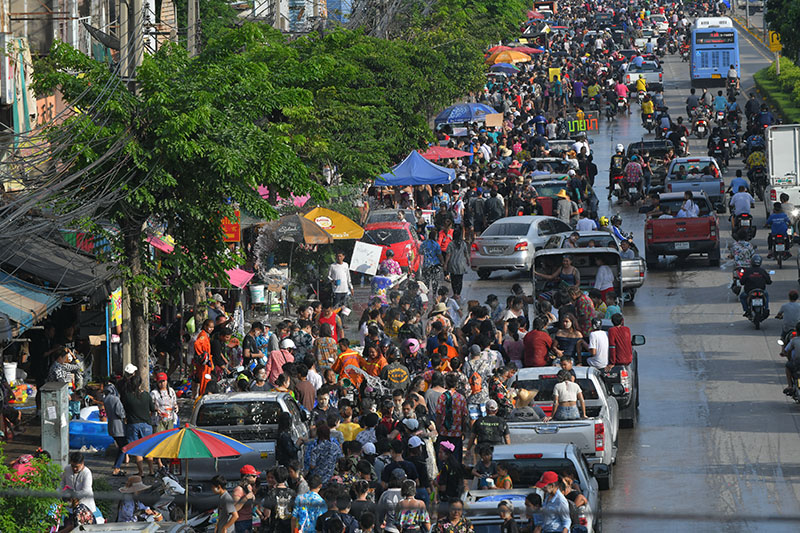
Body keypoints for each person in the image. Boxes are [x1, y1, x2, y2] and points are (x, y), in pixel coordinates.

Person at [122, 375, 155, 477]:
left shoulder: (127, 396)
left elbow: (124, 410)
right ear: (140, 383)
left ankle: (141, 472)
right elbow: (152, 409)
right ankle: (151, 470)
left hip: (133, 424)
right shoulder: (146, 395)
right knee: (149, 448)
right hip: (146, 424)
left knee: (138, 449)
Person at [435, 373, 468, 464]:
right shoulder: (461, 398)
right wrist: (464, 430)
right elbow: (464, 416)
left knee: (443, 457)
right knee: (455, 457)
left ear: (446, 383)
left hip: (444, 431)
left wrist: (438, 428)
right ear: (456, 384)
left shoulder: (442, 397)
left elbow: (438, 415)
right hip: (457, 432)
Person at [103, 381, 127, 476]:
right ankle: (117, 467)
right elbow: (120, 413)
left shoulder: (105, 400)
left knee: (121, 446)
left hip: (111, 425)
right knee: (124, 447)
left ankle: (117, 466)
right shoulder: (116, 399)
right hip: (119, 426)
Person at [445, 229, 470, 300]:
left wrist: (445, 264)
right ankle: (458, 294)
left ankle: (455, 293)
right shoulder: (463, 244)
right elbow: (466, 253)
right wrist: (468, 261)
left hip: (453, 264)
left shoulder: (451, 244)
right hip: (461, 264)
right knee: (460, 280)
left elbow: (448, 255)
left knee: (454, 280)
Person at [194, 318, 215, 398]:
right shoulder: (203, 336)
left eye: (212, 327)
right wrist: (203, 356)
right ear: (205, 326)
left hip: (207, 363)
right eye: (210, 327)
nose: (211, 329)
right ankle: (202, 397)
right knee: (204, 382)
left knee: (206, 381)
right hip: (204, 365)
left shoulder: (206, 335)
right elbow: (197, 344)